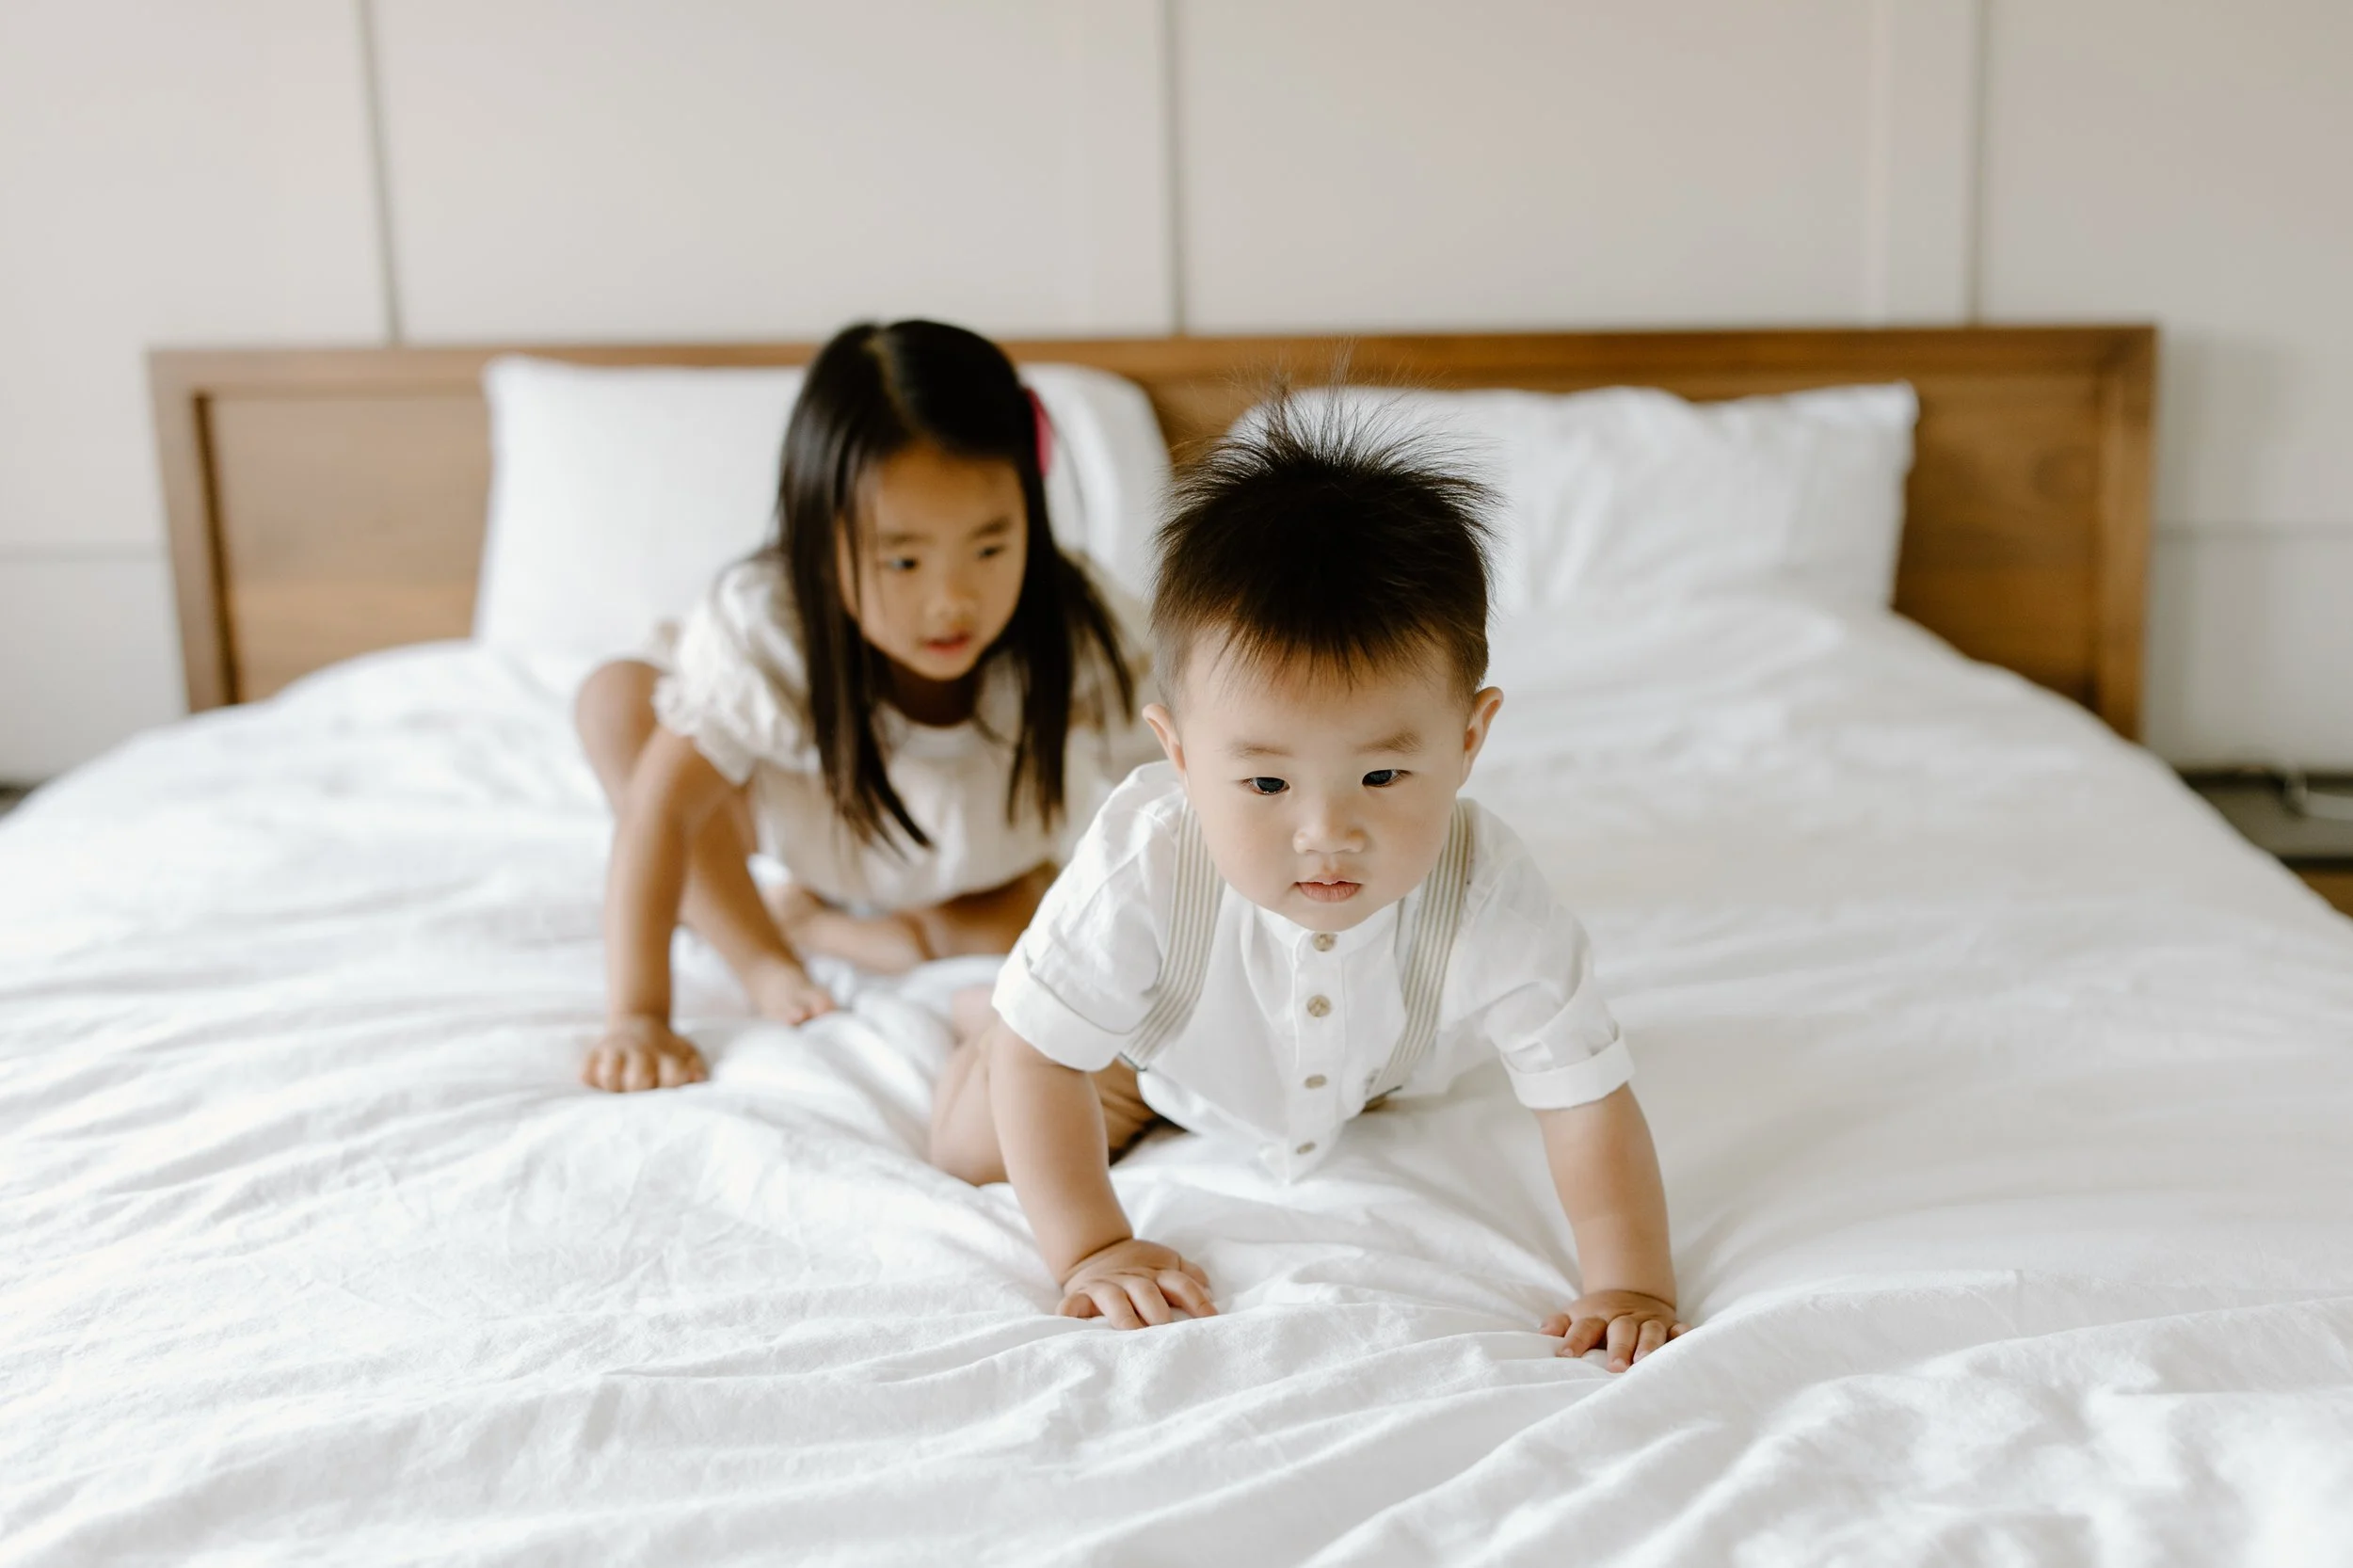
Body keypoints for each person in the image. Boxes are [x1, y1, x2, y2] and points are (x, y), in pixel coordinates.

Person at [930, 399, 1686, 1370]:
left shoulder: (1489, 892)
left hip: (1359, 1067)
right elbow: (1046, 1066)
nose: (1325, 834)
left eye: (1379, 776)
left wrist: (1628, 1281)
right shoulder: (1147, 860)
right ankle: (992, 1006)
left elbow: (1584, 1097)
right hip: (1145, 1052)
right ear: (1179, 753)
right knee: (978, 1145)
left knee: (1347, 1066)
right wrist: (1093, 1246)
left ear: (1468, 739)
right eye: (1264, 783)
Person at [577, 319, 1154, 1094]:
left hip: (977, 866)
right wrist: (639, 1014)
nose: (951, 600)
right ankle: (765, 950)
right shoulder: (773, 629)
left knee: (1033, 935)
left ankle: (829, 926)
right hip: (818, 825)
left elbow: (1180, 780)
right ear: (820, 541)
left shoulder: (1077, 622)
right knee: (617, 704)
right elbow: (660, 812)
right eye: (903, 560)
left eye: (990, 548)